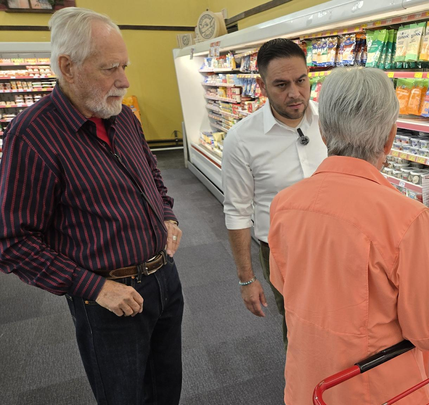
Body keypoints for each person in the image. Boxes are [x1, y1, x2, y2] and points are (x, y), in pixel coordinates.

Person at [0, 8, 184, 405]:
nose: (124, 80)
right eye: (110, 68)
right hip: (108, 300)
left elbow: (151, 175)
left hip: (165, 279)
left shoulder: (123, 116)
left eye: (125, 66)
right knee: (124, 396)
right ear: (68, 67)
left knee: (167, 388)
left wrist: (167, 215)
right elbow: (11, 241)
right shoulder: (32, 135)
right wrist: (95, 288)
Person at [268, 67, 429, 405]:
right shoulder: (408, 219)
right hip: (381, 392)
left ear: (324, 133)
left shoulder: (284, 204)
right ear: (391, 136)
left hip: (309, 388)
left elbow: (285, 284)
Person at [222, 38, 327, 346]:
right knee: (297, 325)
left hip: (336, 242)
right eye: (281, 84)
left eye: (301, 80)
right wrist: (247, 277)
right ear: (262, 85)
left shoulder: (331, 120)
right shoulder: (241, 139)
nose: (295, 93)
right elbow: (237, 211)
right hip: (284, 252)